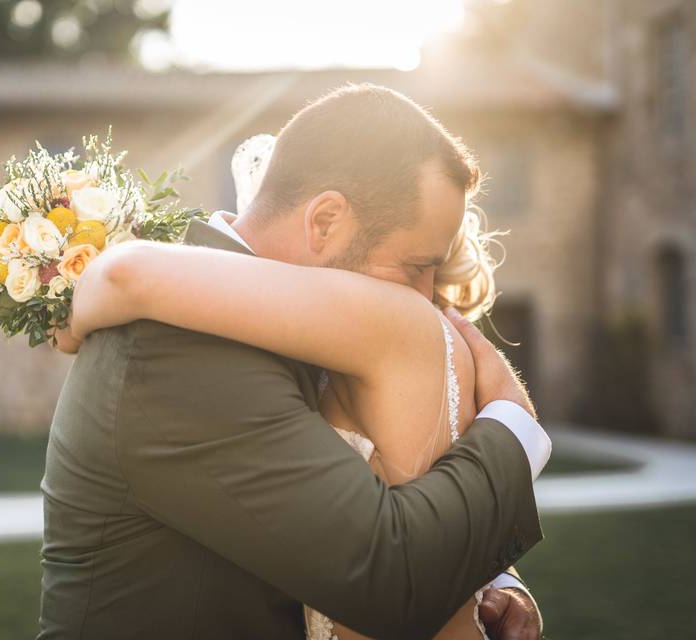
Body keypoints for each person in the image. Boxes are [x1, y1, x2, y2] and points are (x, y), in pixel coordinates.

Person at [39, 84, 551, 640]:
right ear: (325, 222)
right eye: (416, 266)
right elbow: (387, 575)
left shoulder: (287, 326)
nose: (426, 297)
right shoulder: (178, 349)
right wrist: (513, 429)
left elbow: (370, 485)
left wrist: (488, 581)